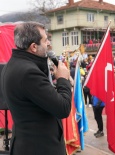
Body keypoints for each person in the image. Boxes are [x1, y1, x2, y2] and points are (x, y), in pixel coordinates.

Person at [0, 22, 72, 155]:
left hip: (28, 144)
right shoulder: (28, 73)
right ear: (33, 47)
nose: (49, 43)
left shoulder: (14, 64)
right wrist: (63, 80)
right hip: (39, 148)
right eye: (45, 40)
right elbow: (63, 108)